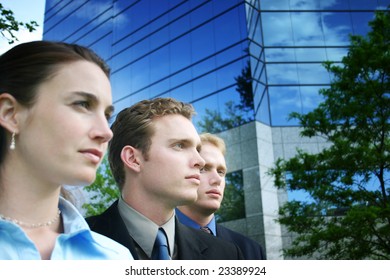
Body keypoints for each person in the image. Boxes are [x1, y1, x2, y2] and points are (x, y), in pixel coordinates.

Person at [0, 41, 133, 260]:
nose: (106, 132)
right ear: (11, 113)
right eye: (82, 104)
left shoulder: (116, 258)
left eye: (106, 115)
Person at [87, 97, 244, 260]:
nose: (200, 161)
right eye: (180, 145)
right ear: (133, 159)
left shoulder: (227, 255)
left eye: (197, 149)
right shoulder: (68, 242)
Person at [177, 133, 266, 260]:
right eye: (203, 169)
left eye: (221, 172)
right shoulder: (157, 243)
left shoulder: (251, 251)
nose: (217, 179)